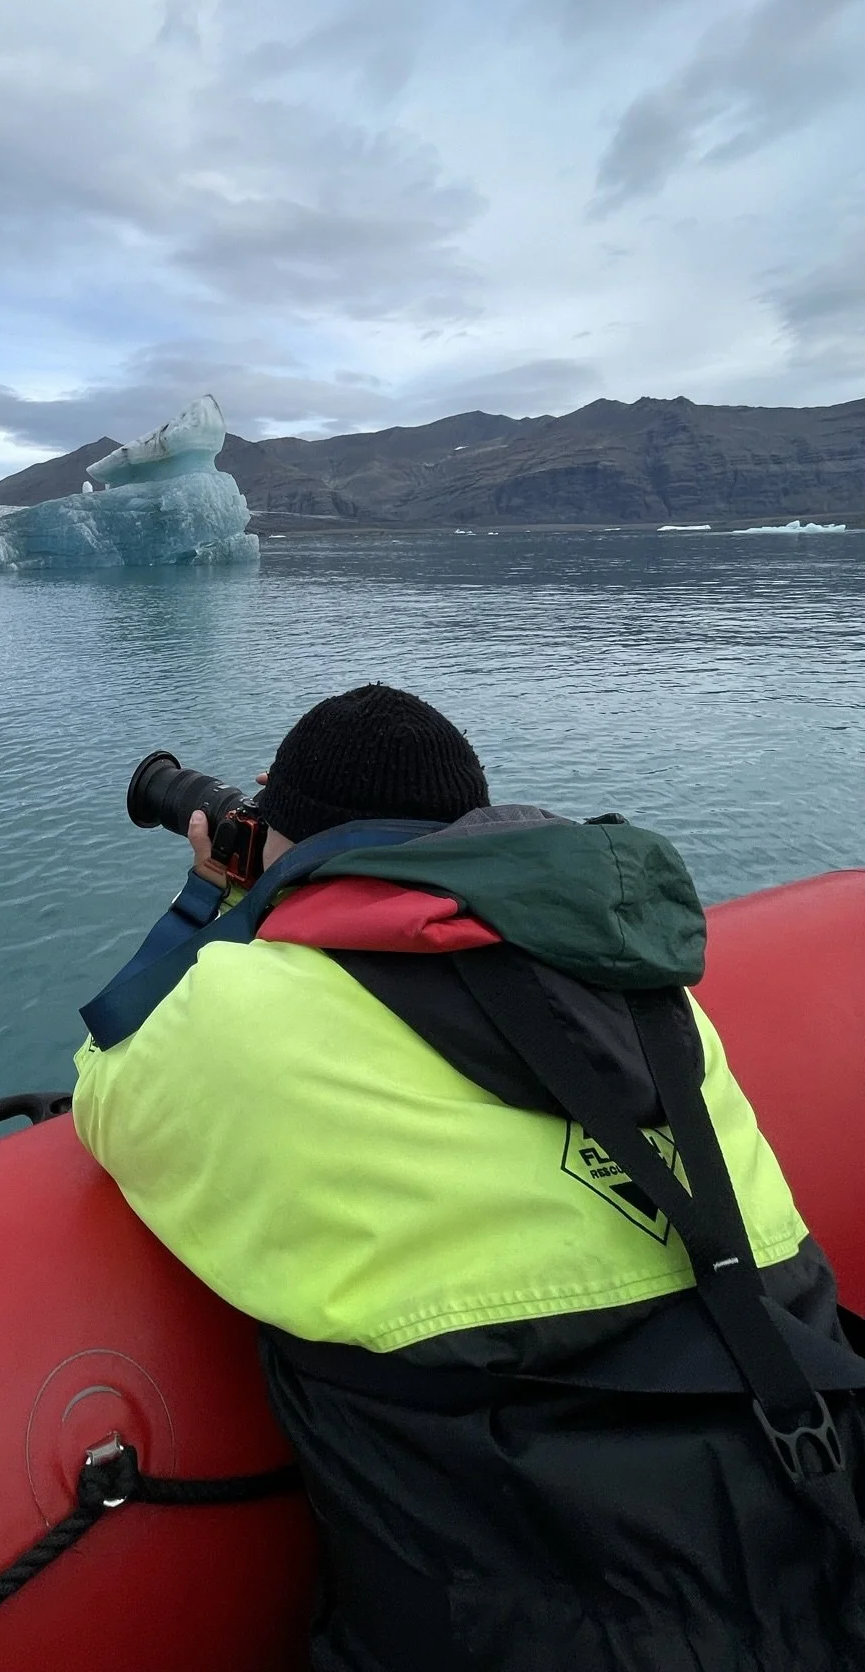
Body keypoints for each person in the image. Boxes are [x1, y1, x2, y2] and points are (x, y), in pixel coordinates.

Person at [72, 683, 865, 1672]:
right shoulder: (644, 982)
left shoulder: (241, 1003)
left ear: (283, 836)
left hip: (547, 1608)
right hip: (817, 1516)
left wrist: (222, 898)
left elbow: (103, 1085)